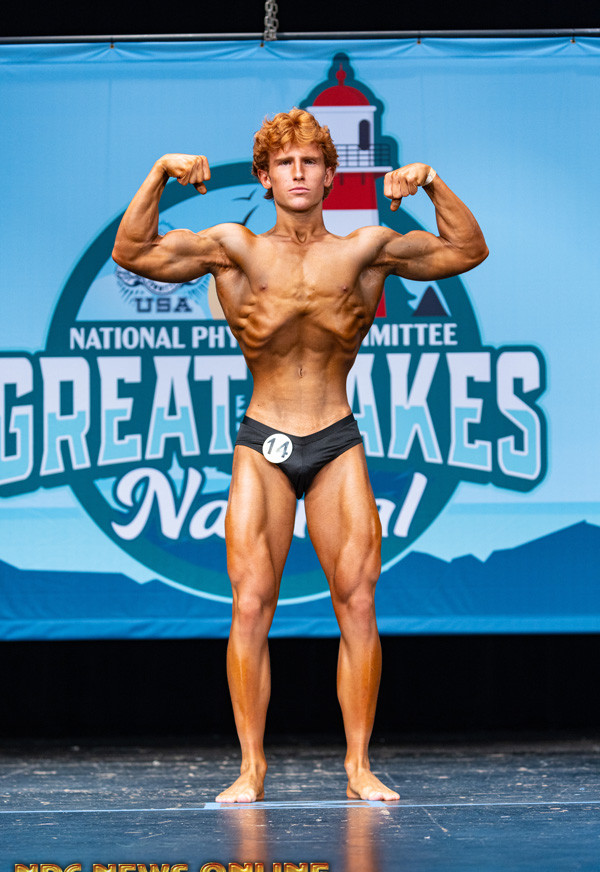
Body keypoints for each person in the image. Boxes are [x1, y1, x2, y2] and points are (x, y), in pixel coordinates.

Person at [113, 108, 488, 803]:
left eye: (309, 161)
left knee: (358, 602)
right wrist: (160, 172)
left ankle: (358, 767)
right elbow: (132, 252)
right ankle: (251, 767)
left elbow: (467, 250)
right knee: (251, 606)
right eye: (284, 163)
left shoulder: (367, 249)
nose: (297, 173)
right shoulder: (233, 248)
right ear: (264, 176)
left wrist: (432, 183)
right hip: (263, 441)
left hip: (335, 437)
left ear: (329, 175)